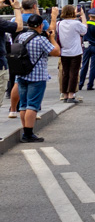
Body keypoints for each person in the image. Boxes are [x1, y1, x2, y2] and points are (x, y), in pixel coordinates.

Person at [12, 13, 58, 143]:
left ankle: (25, 130)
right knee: (32, 105)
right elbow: (56, 52)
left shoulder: (20, 37)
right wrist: (52, 38)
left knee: (23, 105)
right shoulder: (41, 39)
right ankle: (28, 134)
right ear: (41, 26)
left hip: (21, 74)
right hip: (37, 76)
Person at [9, 0, 40, 117]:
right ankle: (32, 109)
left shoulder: (14, 20)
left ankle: (13, 109)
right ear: (34, 6)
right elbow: (48, 31)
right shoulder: (39, 20)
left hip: (16, 53)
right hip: (34, 54)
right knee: (34, 83)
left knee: (17, 82)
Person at [55, 4, 87, 104]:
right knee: (74, 73)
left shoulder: (59, 24)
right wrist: (83, 16)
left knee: (65, 73)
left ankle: (64, 94)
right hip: (75, 51)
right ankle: (71, 95)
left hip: (64, 51)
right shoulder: (76, 23)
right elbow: (84, 31)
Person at [80, 13, 95, 91]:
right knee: (93, 67)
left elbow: (81, 36)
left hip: (86, 47)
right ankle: (90, 85)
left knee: (84, 65)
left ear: (89, 16)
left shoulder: (84, 25)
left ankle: (80, 84)